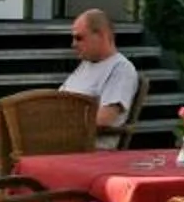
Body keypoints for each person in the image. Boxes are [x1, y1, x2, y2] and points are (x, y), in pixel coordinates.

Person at [60, 9, 142, 143]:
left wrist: (58, 125)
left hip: (87, 146)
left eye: (79, 38)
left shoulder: (120, 69)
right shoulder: (86, 64)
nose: (73, 44)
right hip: (62, 139)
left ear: (101, 35)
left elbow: (104, 120)